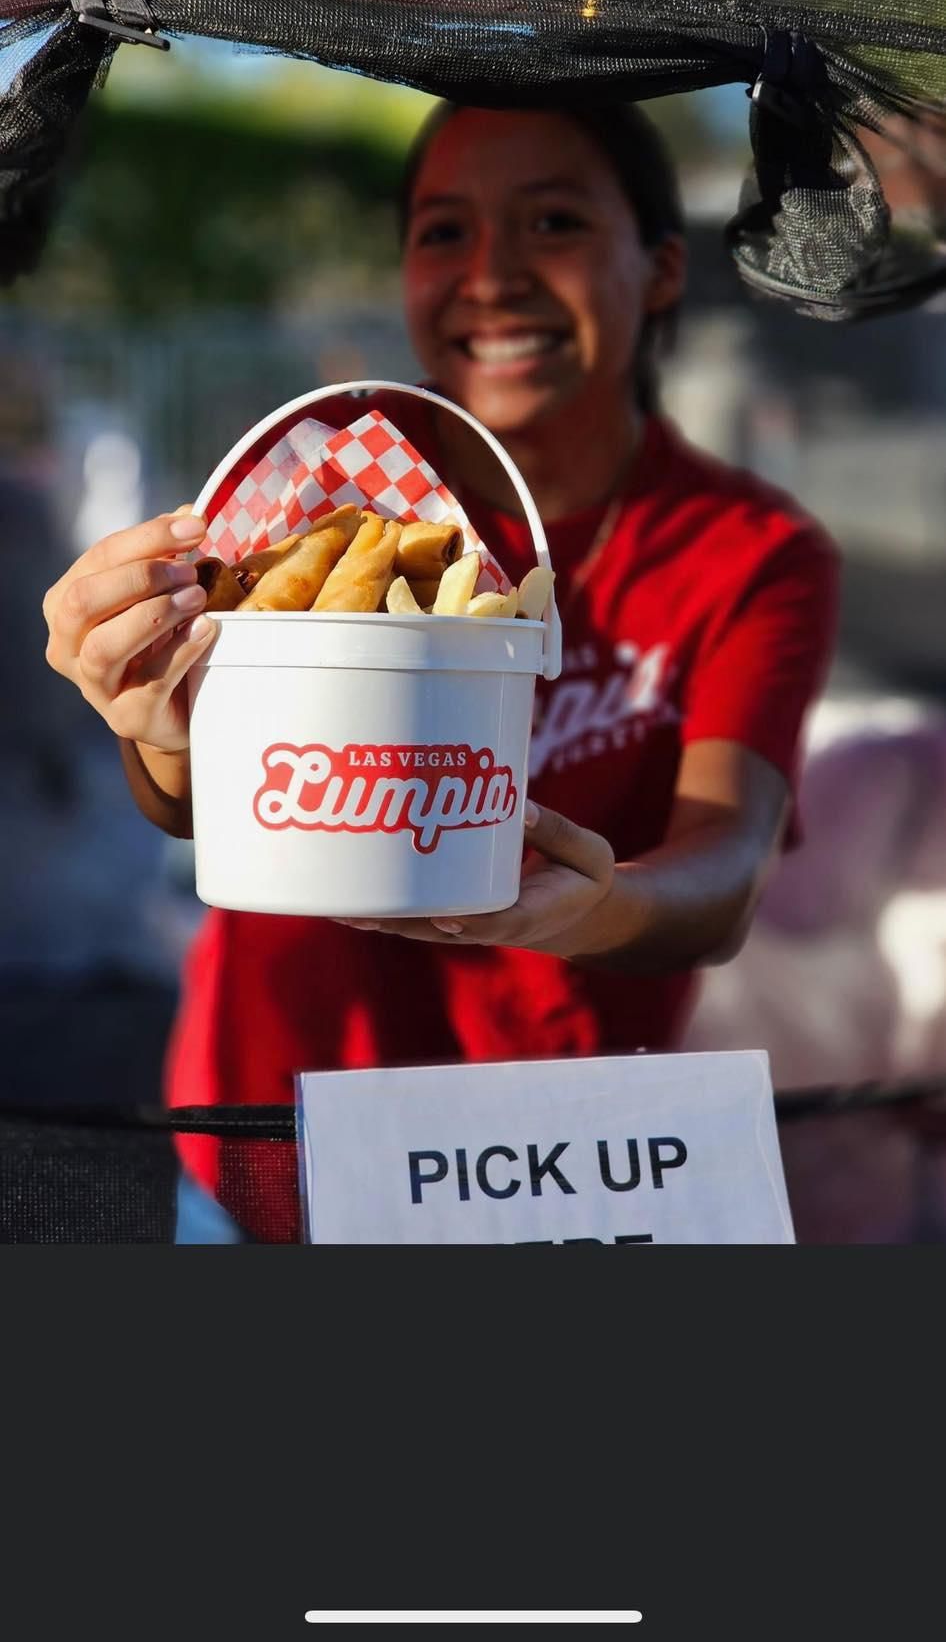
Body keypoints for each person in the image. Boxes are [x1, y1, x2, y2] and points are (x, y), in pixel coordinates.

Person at [42, 101, 841, 1239]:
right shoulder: (317, 491)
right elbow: (195, 801)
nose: (490, 275)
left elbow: (725, 870)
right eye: (441, 231)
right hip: (272, 1130)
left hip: (551, 1155)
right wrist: (159, 727)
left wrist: (593, 906)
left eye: (552, 221)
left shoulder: (749, 551)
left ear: (661, 269)